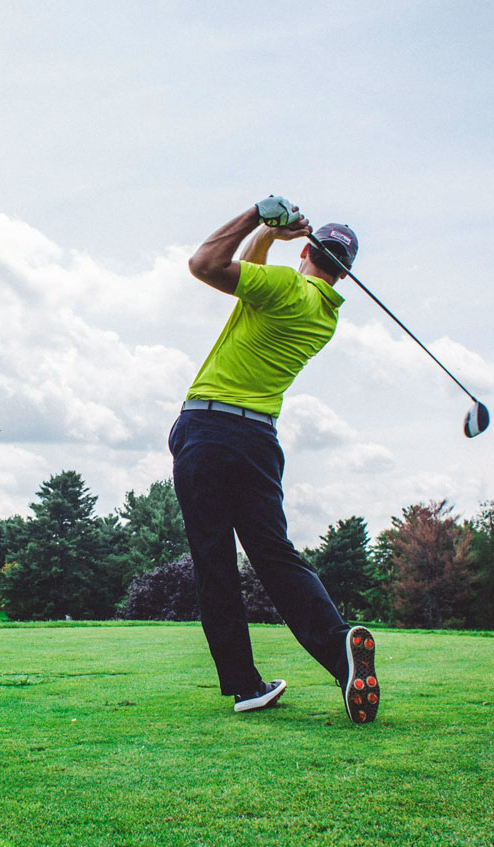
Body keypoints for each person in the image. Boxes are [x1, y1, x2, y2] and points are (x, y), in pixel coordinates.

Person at [169, 194, 379, 723]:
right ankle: (339, 653)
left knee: (214, 561)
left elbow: (206, 265)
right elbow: (253, 274)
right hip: (259, 442)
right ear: (345, 275)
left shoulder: (286, 287)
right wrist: (272, 236)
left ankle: (245, 685)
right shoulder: (322, 312)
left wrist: (254, 216)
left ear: (308, 251)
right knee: (276, 556)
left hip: (210, 430)